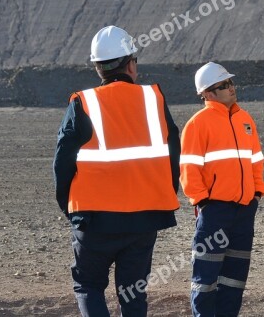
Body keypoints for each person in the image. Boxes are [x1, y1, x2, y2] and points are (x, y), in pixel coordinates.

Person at [53, 25, 181, 317]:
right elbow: (173, 151)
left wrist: (70, 208)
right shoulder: (154, 99)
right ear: (131, 64)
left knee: (88, 285)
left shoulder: (82, 102)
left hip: (95, 219)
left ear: (98, 68)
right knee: (133, 294)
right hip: (145, 218)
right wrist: (161, 195)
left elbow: (62, 161)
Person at [179, 62, 264, 317]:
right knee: (206, 278)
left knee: (235, 278)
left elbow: (256, 160)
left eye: (230, 83)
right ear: (207, 93)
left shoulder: (245, 119)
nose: (231, 88)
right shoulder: (198, 124)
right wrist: (203, 201)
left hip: (243, 211)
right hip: (215, 212)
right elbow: (189, 168)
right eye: (224, 85)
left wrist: (256, 193)